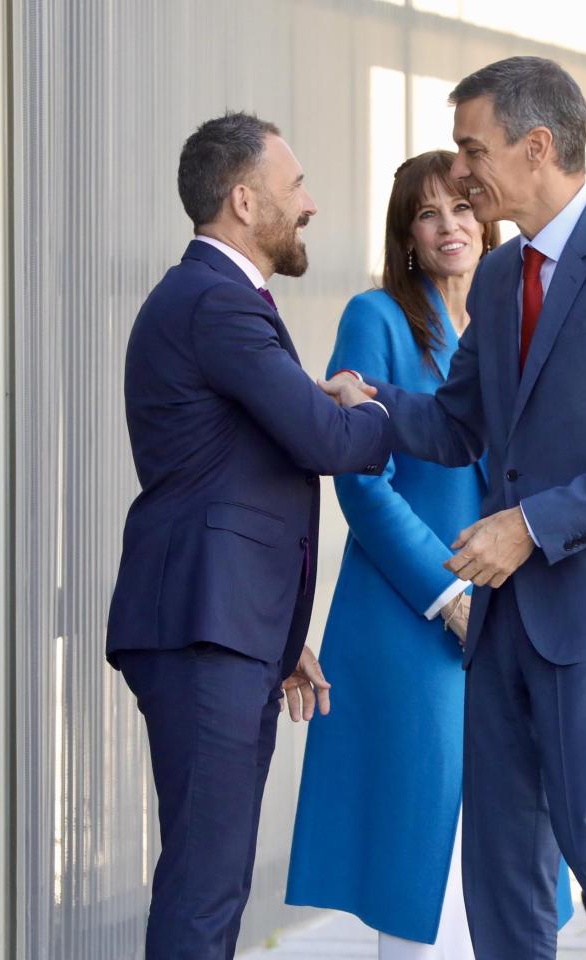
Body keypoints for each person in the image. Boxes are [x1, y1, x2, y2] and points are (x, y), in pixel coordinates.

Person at [326, 55, 586, 960]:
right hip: (505, 623)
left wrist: (530, 526)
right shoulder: (506, 276)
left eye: (474, 150)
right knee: (502, 858)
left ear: (537, 146)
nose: (462, 174)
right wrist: (374, 403)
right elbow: (461, 424)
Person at [103, 111, 394, 960]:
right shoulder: (216, 304)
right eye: (295, 186)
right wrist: (365, 408)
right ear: (242, 199)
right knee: (207, 880)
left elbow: (241, 466)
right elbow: (323, 441)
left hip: (225, 627)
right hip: (203, 626)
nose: (309, 205)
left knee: (214, 876)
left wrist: (274, 636)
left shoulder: (217, 302)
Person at [284, 151, 571, 958]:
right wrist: (447, 597)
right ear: (406, 236)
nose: (451, 226)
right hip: (413, 614)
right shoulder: (375, 317)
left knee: (517, 821)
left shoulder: (517, 318)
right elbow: (362, 477)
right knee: (418, 837)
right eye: (428, 213)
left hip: (513, 603)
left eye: (463, 208)